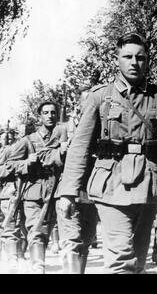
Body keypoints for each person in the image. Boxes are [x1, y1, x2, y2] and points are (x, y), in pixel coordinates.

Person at [57, 32, 157, 274]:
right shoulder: (100, 96)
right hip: (111, 184)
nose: (134, 62)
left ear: (147, 61)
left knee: (138, 260)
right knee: (121, 261)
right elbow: (80, 147)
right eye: (127, 56)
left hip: (150, 185)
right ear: (116, 59)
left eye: (140, 57)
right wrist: (67, 192)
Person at [7, 102, 68, 273]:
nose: (50, 116)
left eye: (53, 113)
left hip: (55, 190)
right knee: (36, 228)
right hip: (33, 192)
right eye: (46, 113)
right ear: (39, 117)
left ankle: (37, 260)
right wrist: (26, 163)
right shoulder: (28, 140)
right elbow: (9, 164)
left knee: (47, 229)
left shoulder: (63, 140)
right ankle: (38, 265)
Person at [54, 89, 99, 273]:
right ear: (79, 105)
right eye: (87, 101)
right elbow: (44, 154)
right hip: (68, 191)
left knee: (85, 243)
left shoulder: (103, 128)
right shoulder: (63, 128)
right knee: (71, 242)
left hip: (92, 192)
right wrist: (60, 151)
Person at [0, 129, 28, 272]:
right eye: (5, 139)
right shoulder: (4, 152)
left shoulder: (19, 149)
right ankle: (12, 258)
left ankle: (19, 255)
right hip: (9, 192)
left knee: (23, 228)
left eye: (10, 139)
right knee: (11, 226)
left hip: (22, 192)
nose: (7, 142)